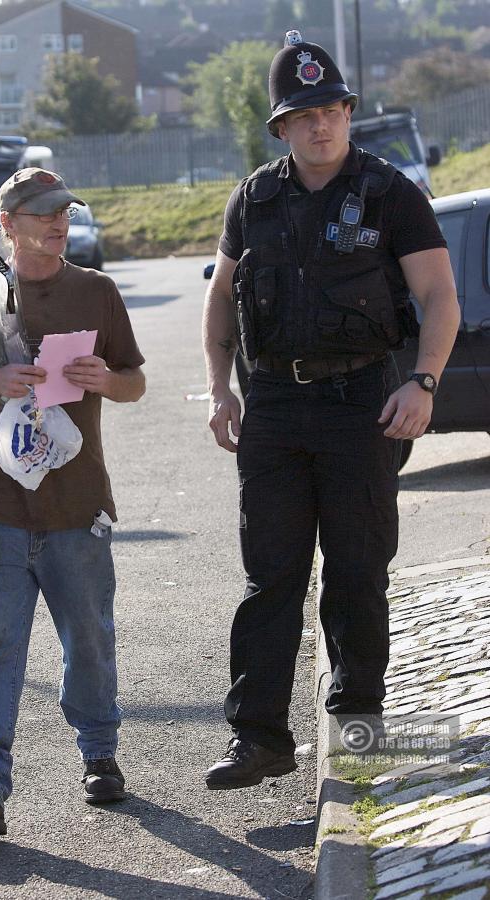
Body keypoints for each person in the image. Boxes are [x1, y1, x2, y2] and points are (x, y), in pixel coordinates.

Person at [202, 32, 459, 790]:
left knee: (355, 572)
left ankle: (361, 732)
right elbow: (220, 299)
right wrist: (220, 389)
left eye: (334, 110)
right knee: (270, 576)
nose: (322, 125)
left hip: (361, 403)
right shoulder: (254, 197)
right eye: (305, 114)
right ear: (281, 127)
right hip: (274, 405)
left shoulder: (389, 193)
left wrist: (425, 383)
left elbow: (441, 297)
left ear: (350, 113)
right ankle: (259, 739)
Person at [0, 167, 145, 834]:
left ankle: (100, 754)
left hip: (78, 509)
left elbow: (135, 381)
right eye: (44, 212)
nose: (59, 222)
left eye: (65, 211)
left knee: (88, 640)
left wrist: (106, 380)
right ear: (8, 225)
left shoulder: (97, 291)